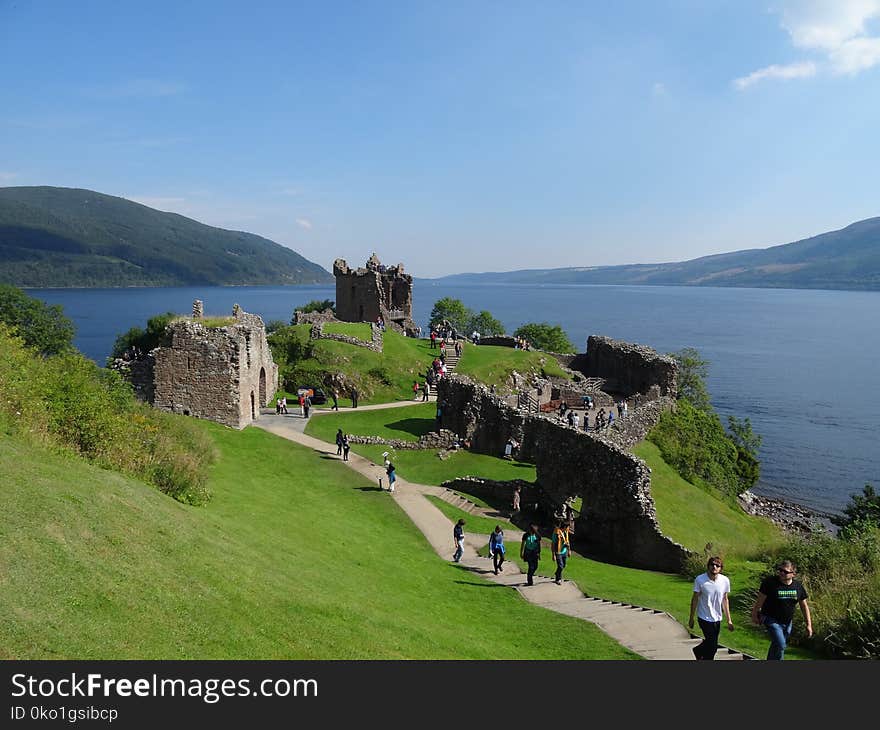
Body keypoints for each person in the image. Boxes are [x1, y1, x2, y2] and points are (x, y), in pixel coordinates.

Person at [751, 560, 812, 660]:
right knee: (781, 644)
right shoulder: (770, 583)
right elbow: (759, 601)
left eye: (786, 571)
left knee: (777, 645)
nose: (782, 573)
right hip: (770, 619)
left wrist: (808, 624)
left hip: (787, 622)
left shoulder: (798, 586)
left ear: (793, 574)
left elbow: (804, 606)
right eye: (780, 570)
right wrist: (754, 614)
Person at [689, 557, 734, 660]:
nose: (714, 567)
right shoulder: (700, 580)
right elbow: (695, 599)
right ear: (708, 566)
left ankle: (698, 650)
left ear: (720, 568)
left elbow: (725, 600)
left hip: (717, 618)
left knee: (711, 643)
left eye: (717, 565)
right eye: (712, 565)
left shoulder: (725, 580)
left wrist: (729, 621)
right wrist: (691, 618)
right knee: (713, 646)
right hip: (704, 617)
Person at [551, 519, 571, 585]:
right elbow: (553, 544)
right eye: (568, 527)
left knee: (563, 565)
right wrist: (553, 555)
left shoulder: (566, 532)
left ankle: (557, 573)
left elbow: (567, 541)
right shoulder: (556, 532)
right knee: (560, 566)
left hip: (564, 551)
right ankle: (558, 579)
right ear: (565, 527)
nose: (569, 528)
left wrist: (569, 551)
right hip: (558, 552)